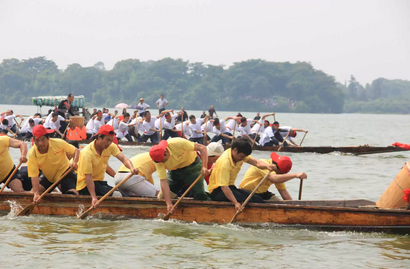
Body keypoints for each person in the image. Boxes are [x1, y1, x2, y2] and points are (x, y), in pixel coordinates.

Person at [76, 125, 138, 208]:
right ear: (99, 137)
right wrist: (93, 198)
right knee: (117, 195)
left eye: (111, 140)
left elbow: (123, 159)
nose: (109, 143)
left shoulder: (110, 146)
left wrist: (132, 168)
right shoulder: (87, 153)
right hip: (85, 186)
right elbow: (88, 177)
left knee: (123, 195)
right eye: (107, 140)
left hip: (99, 183)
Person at [207, 137, 277, 211]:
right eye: (242, 156)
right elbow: (224, 187)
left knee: (257, 198)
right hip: (218, 191)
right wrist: (236, 203)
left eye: (244, 157)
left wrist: (268, 166)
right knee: (249, 201)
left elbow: (256, 162)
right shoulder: (224, 162)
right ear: (235, 150)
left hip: (230, 187)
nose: (243, 158)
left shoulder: (240, 154)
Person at [149, 138, 210, 214]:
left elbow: (202, 148)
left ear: (166, 152)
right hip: (175, 171)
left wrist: (204, 167)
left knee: (200, 195)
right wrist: (169, 204)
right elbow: (163, 181)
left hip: (192, 167)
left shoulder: (177, 143)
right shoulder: (158, 161)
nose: (161, 163)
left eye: (163, 160)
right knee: (162, 196)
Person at [28, 125, 80, 203]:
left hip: (64, 173)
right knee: (31, 195)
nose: (40, 143)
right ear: (34, 140)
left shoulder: (58, 143)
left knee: (72, 194)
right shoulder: (32, 153)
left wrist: (75, 162)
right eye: (37, 140)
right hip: (48, 176)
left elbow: (76, 151)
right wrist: (36, 194)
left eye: (43, 140)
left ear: (48, 138)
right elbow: (34, 176)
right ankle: (54, 192)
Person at [239, 152, 307, 201]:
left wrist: (293, 206)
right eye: (281, 173)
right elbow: (273, 178)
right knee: (259, 200)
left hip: (262, 193)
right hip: (247, 193)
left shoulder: (278, 175)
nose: (281, 175)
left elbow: (283, 191)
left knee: (279, 202)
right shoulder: (264, 164)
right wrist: (295, 175)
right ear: (278, 169)